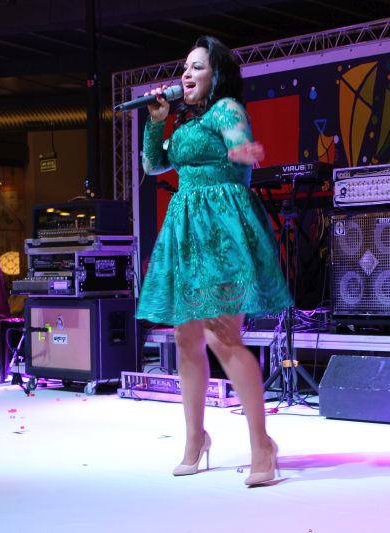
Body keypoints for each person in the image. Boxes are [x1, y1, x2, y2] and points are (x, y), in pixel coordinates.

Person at [136, 35, 293, 486]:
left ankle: (262, 444)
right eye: (184, 68)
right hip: (186, 231)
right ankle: (195, 439)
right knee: (186, 338)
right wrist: (155, 123)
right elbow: (152, 166)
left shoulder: (226, 109)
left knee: (223, 337)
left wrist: (243, 151)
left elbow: (240, 146)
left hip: (221, 230)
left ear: (216, 75)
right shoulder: (185, 124)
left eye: (197, 67)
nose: (186, 74)